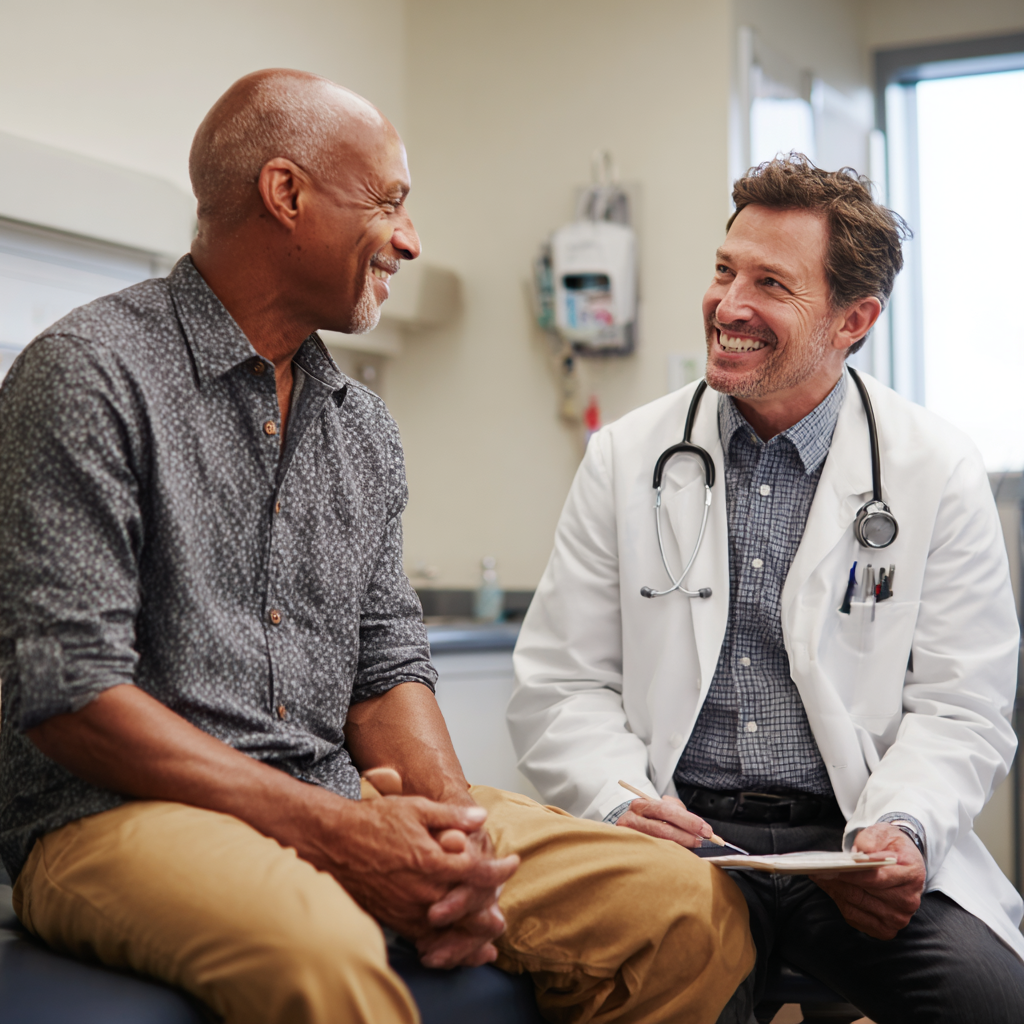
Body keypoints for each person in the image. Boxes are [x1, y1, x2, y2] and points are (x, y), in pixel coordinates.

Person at [0, 70, 754, 1024]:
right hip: (112, 818)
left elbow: (386, 665)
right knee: (327, 954)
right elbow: (70, 697)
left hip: (334, 795)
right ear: (288, 196)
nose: (411, 238)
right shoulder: (90, 377)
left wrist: (453, 838)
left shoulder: (360, 428)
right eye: (390, 203)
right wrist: (339, 835)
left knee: (687, 907)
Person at [509, 155, 1024, 1024]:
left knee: (990, 1002)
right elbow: (561, 685)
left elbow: (962, 704)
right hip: (683, 841)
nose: (728, 305)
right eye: (723, 270)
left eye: (770, 284)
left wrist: (901, 827)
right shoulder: (627, 457)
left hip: (852, 842)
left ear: (853, 319)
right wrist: (621, 799)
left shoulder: (935, 468)